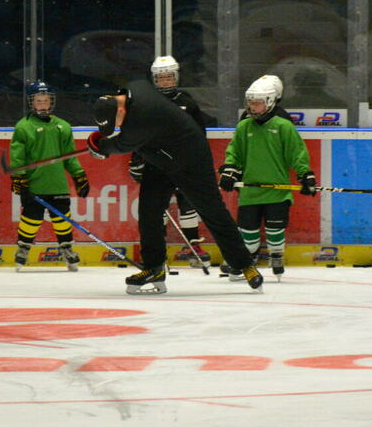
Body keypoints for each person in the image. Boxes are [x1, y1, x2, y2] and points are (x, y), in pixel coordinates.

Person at [87, 79, 264, 294]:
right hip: (161, 158)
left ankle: (245, 265)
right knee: (149, 212)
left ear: (121, 108)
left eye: (116, 121)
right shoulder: (134, 88)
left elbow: (120, 144)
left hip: (192, 160)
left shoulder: (142, 117)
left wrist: (97, 146)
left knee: (213, 211)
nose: (117, 126)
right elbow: (128, 136)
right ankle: (154, 268)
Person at [219, 76, 315, 281]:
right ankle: (246, 262)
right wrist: (230, 170)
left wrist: (305, 174)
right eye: (251, 103)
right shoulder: (244, 126)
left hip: (277, 191)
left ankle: (276, 255)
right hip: (250, 192)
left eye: (258, 103)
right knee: (248, 235)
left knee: (275, 230)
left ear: (270, 102)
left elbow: (296, 153)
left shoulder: (283, 126)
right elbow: (234, 152)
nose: (253, 107)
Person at [128, 56, 217, 266]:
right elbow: (138, 135)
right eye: (161, 78)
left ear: (175, 77)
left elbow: (199, 134)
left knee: (188, 202)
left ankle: (193, 245)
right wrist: (136, 160)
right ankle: (157, 250)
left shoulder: (187, 102)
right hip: (157, 163)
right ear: (154, 80)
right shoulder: (147, 103)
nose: (165, 81)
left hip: (184, 162)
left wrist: (198, 159)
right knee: (157, 206)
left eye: (168, 77)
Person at [9, 81, 90, 270]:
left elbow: (70, 156)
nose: (43, 104)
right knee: (31, 219)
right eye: (38, 101)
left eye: (46, 100)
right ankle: (23, 248)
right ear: (31, 102)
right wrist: (19, 176)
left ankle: (67, 248)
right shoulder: (24, 127)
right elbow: (17, 156)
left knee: (62, 219)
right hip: (34, 185)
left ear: (51, 102)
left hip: (58, 184)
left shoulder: (63, 126)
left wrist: (79, 175)